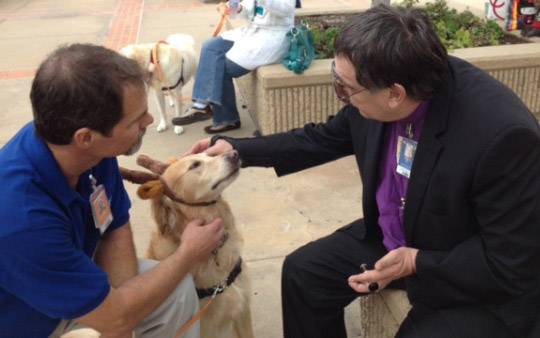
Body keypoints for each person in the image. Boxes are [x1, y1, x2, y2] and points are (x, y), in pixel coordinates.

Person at [185, 5, 540, 338]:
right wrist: (239, 151)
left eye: (344, 87)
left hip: (463, 268)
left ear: (394, 95)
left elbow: (509, 261)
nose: (341, 93)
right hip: (398, 229)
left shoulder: (503, 137)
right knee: (303, 273)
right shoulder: (382, 80)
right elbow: (323, 138)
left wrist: (417, 262)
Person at [0, 44, 224, 338]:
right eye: (136, 120)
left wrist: (127, 309)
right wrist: (188, 254)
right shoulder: (20, 216)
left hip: (74, 288)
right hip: (27, 324)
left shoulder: (91, 154)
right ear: (85, 137)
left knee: (174, 292)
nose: (149, 122)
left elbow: (115, 228)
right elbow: (114, 318)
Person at [172, 0, 296, 134]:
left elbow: (287, 9)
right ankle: (201, 105)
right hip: (251, 33)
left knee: (223, 67)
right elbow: (250, 10)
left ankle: (227, 119)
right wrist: (238, 8)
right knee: (210, 46)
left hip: (273, 39)